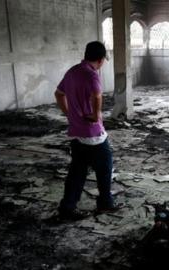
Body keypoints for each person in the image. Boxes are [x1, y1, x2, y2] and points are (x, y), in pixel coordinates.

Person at [55, 41, 119, 220]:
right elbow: (97, 95)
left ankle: (67, 208)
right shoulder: (91, 75)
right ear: (101, 60)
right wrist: (96, 114)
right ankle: (105, 203)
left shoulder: (72, 71)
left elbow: (59, 94)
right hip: (92, 134)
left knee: (77, 171)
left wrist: (69, 113)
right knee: (105, 166)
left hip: (76, 132)